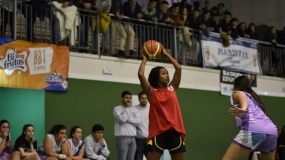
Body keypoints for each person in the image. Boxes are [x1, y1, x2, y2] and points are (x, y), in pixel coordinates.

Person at [138, 44, 186, 160]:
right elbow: (140, 74)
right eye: (163, 73)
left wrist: (166, 54)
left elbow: (178, 68)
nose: (167, 76)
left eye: (167, 73)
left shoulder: (172, 87)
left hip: (174, 131)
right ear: (156, 77)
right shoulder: (151, 92)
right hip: (157, 133)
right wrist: (145, 59)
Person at [222, 76, 278, 160]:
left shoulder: (237, 93)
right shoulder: (253, 97)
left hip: (254, 130)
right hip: (272, 131)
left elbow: (243, 99)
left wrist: (243, 109)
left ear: (236, 86)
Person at [113, 91, 141, 160]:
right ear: (122, 98)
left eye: (130, 98)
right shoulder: (117, 109)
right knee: (122, 158)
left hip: (133, 138)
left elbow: (138, 122)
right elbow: (122, 120)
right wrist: (127, 109)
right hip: (122, 138)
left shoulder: (134, 109)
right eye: (126, 98)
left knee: (131, 159)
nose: (128, 100)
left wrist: (128, 119)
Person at [134, 92, 149, 160]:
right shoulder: (134, 109)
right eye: (142, 98)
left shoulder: (151, 109)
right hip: (138, 139)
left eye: (146, 98)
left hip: (150, 139)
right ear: (139, 99)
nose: (144, 100)